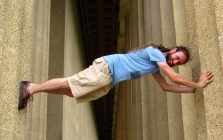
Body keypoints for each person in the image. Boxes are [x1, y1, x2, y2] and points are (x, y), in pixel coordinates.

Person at [18, 43, 213, 110]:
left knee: (72, 91)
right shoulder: (155, 53)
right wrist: (198, 84)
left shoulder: (154, 68)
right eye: (177, 58)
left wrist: (191, 90)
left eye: (179, 62)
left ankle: (35, 88)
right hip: (107, 68)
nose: (176, 62)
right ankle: (30, 88)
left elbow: (166, 86)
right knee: (72, 82)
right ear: (172, 50)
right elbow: (174, 78)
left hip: (109, 81)